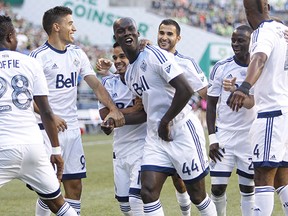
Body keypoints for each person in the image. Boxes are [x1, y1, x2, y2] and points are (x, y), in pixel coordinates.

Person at [113, 17, 217, 215]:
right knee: (148, 192)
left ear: (137, 33)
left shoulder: (154, 55)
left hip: (181, 130)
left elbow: (186, 90)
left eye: (130, 29)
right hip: (156, 136)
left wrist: (166, 120)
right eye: (121, 31)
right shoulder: (129, 74)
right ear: (116, 36)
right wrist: (117, 119)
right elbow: (144, 110)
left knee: (197, 196)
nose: (126, 33)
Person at [29, 6, 125, 216]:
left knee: (75, 187)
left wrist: (113, 109)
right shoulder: (38, 57)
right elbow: (26, 97)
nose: (74, 28)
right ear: (56, 27)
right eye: (70, 23)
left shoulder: (77, 53)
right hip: (46, 130)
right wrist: (51, 116)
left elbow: (96, 85)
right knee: (49, 189)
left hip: (72, 131)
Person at [0, 15, 77, 216]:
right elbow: (46, 111)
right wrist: (56, 151)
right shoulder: (30, 62)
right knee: (58, 204)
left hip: (3, 146)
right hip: (33, 146)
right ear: (9, 37)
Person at [227, 0, 288, 215]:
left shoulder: (262, 32)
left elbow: (259, 58)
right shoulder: (283, 30)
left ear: (247, 11)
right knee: (282, 177)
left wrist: (244, 87)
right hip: (284, 111)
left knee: (262, 174)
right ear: (267, 7)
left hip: (272, 112)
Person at [157, 18, 208, 216]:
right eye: (161, 33)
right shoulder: (148, 57)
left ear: (178, 38)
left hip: (181, 128)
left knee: (191, 186)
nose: (164, 37)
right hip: (154, 130)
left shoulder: (186, 63)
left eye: (169, 34)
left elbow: (206, 93)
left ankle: (189, 212)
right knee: (149, 188)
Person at [206, 25, 255, 216]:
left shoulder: (258, 67)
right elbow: (210, 105)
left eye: (240, 40)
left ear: (251, 42)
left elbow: (253, 103)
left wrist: (237, 89)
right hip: (224, 134)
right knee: (217, 188)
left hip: (249, 137)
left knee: (248, 188)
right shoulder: (221, 67)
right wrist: (213, 138)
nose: (235, 44)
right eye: (233, 40)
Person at [98, 42, 146, 215]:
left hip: (142, 146)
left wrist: (115, 115)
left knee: (136, 199)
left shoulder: (142, 79)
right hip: (119, 148)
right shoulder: (108, 82)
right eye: (115, 57)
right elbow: (105, 113)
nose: (118, 61)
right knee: (125, 206)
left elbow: (144, 114)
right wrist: (131, 109)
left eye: (122, 56)